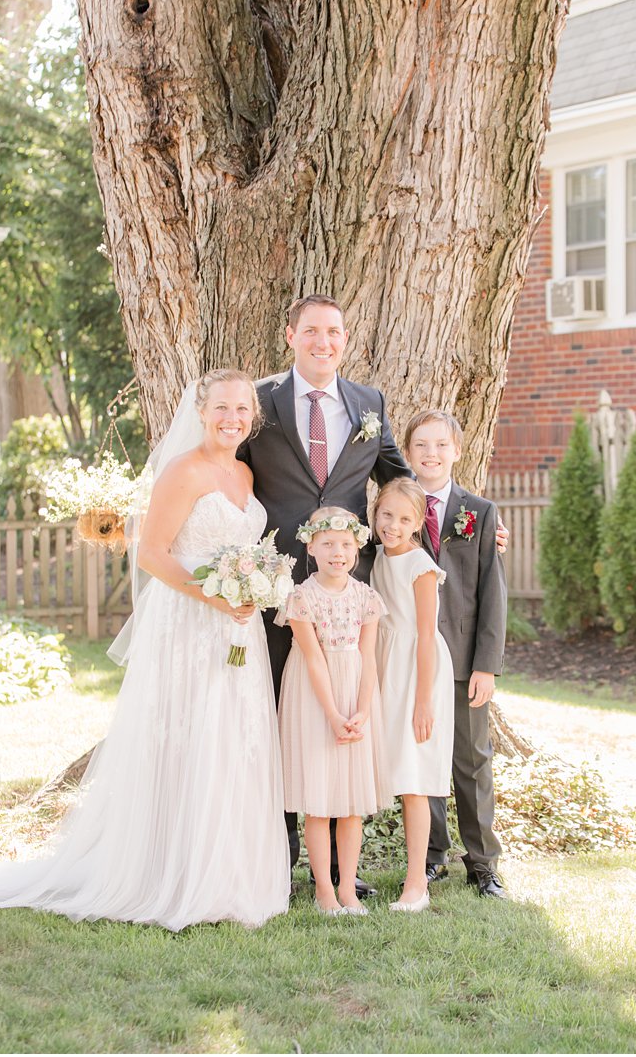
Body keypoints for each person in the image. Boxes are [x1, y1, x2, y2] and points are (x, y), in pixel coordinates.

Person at [0, 370, 290, 930]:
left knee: (232, 739)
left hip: (237, 626)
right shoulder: (183, 471)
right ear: (202, 412)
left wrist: (247, 591)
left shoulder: (246, 473)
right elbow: (152, 553)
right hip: (190, 623)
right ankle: (173, 874)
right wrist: (214, 594)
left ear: (254, 416)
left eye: (242, 410)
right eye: (222, 407)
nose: (233, 418)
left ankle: (230, 875)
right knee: (189, 737)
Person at [240, 293, 508, 891]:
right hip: (277, 582)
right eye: (311, 331)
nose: (323, 342)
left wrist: (462, 517)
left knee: (343, 720)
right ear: (291, 336)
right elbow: (232, 472)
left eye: (333, 332)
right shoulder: (259, 403)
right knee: (285, 715)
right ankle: (279, 862)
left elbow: (400, 477)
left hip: (348, 586)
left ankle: (340, 868)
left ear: (344, 338)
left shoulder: (368, 403)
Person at [406, 410, 509, 900]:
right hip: (413, 655)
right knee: (423, 757)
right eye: (421, 445)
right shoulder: (394, 506)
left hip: (465, 657)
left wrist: (486, 664)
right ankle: (430, 857)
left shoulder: (481, 512)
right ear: (408, 453)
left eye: (440, 445)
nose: (431, 454)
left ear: (457, 450)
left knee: (471, 761)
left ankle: (483, 863)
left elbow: (493, 592)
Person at [276, 506, 388, 915]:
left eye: (345, 544)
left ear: (357, 547)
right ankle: (323, 888)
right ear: (311, 546)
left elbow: (369, 657)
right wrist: (332, 715)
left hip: (355, 692)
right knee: (320, 799)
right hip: (315, 695)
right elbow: (313, 660)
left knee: (351, 801)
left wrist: (361, 711)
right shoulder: (301, 598)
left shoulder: (367, 598)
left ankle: (348, 889)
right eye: (327, 544)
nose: (337, 552)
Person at [370, 478, 455, 912]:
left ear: (419, 521)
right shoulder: (379, 556)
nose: (393, 525)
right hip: (387, 666)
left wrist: (424, 700)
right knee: (395, 769)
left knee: (414, 777)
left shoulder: (419, 565)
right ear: (376, 511)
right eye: (387, 515)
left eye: (404, 519)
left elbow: (426, 636)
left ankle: (416, 884)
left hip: (418, 670)